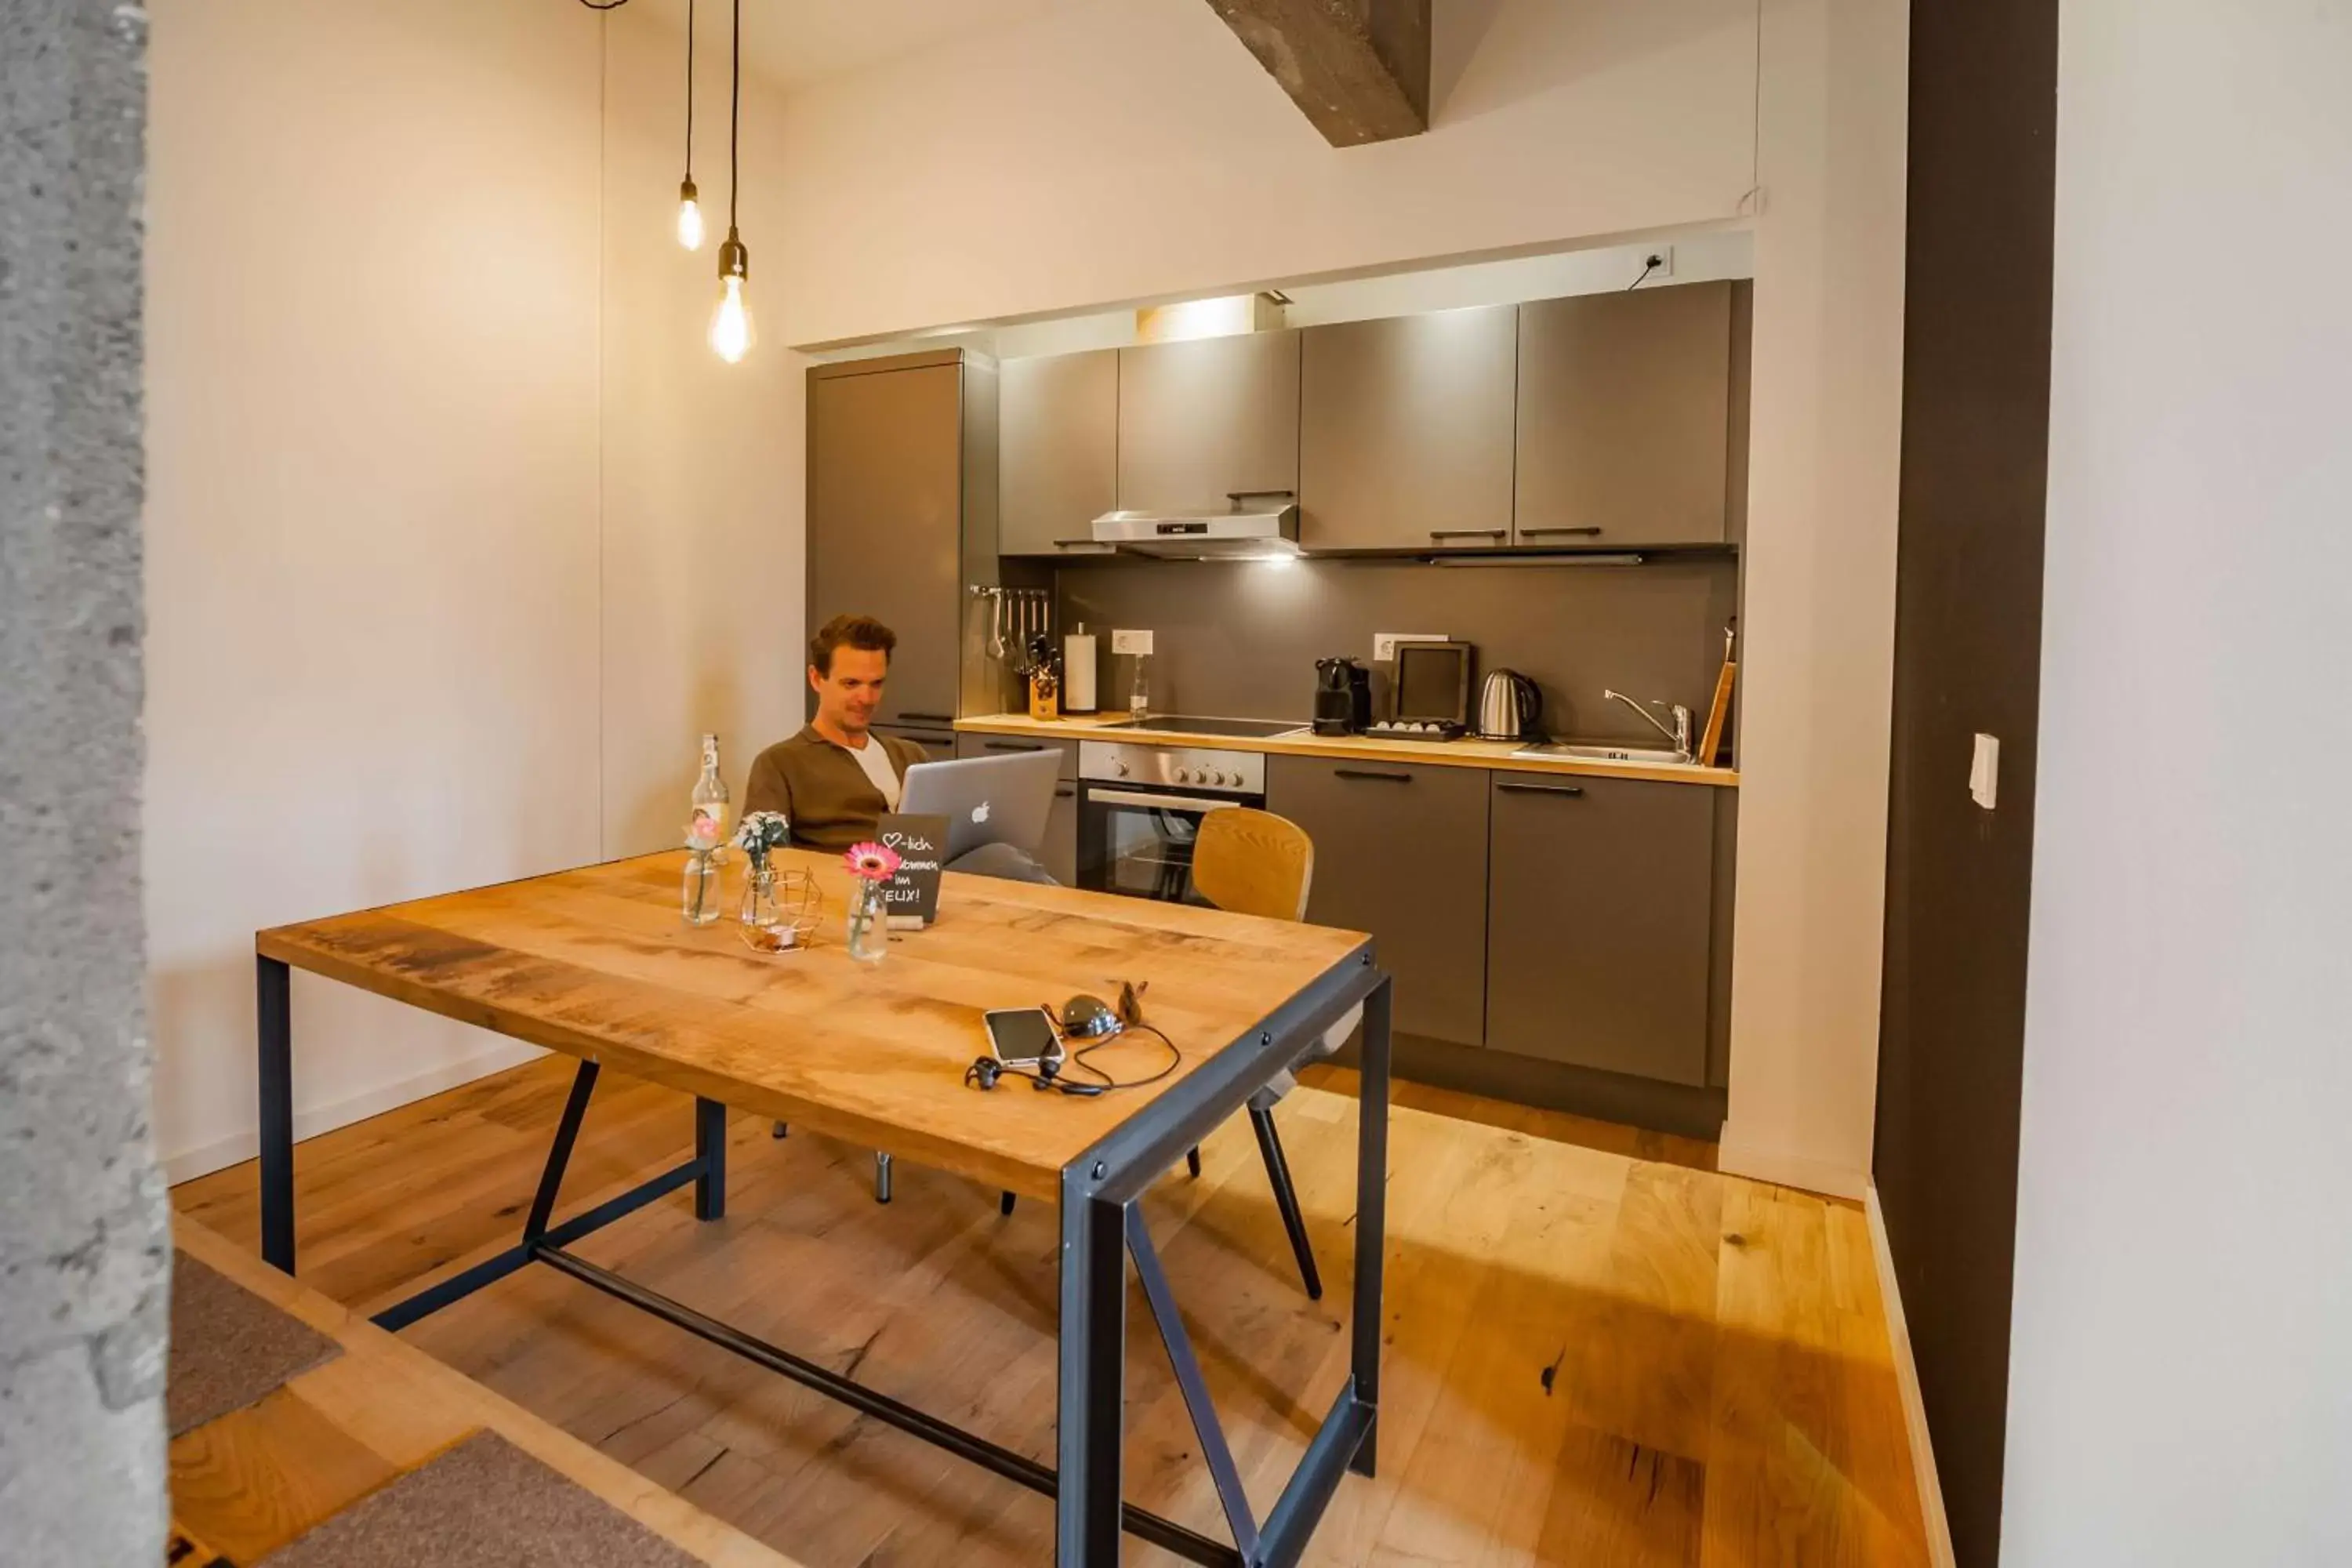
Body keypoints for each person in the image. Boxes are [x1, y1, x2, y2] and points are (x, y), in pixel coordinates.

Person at [744, 613, 1054, 883]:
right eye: (851, 684)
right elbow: (762, 861)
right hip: (856, 889)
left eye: (876, 683)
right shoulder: (781, 763)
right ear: (816, 678)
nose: (866, 698)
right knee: (1006, 863)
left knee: (1002, 857)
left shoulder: (909, 755)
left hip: (932, 879)